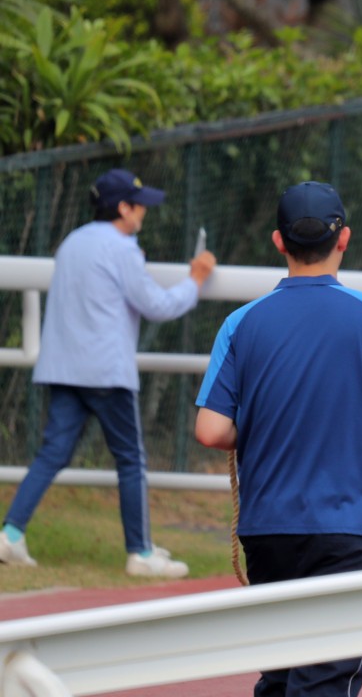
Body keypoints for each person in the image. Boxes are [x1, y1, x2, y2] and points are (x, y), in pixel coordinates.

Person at [194, 181, 362, 697]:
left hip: (266, 530)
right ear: (343, 238)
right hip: (346, 529)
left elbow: (211, 429)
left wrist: (261, 421)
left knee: (280, 674)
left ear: (278, 242)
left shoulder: (241, 323)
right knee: (327, 677)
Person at [0, 168, 217, 576]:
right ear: (123, 208)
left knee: (52, 453)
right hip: (105, 372)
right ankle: (140, 552)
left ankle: (10, 534)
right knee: (130, 460)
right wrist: (196, 280)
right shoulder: (123, 249)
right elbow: (159, 306)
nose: (144, 214)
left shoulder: (72, 243)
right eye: (140, 206)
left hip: (63, 367)